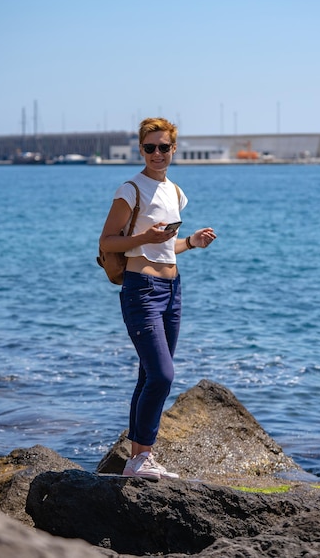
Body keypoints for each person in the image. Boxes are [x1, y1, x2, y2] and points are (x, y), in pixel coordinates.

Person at [99, 117, 216, 480]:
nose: (157, 154)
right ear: (141, 150)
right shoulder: (130, 190)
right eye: (150, 148)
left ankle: (138, 459)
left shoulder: (176, 192)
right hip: (142, 290)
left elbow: (167, 248)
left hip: (172, 290)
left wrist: (191, 243)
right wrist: (142, 239)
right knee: (163, 375)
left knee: (149, 375)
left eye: (164, 147)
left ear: (174, 149)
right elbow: (108, 242)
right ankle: (141, 458)